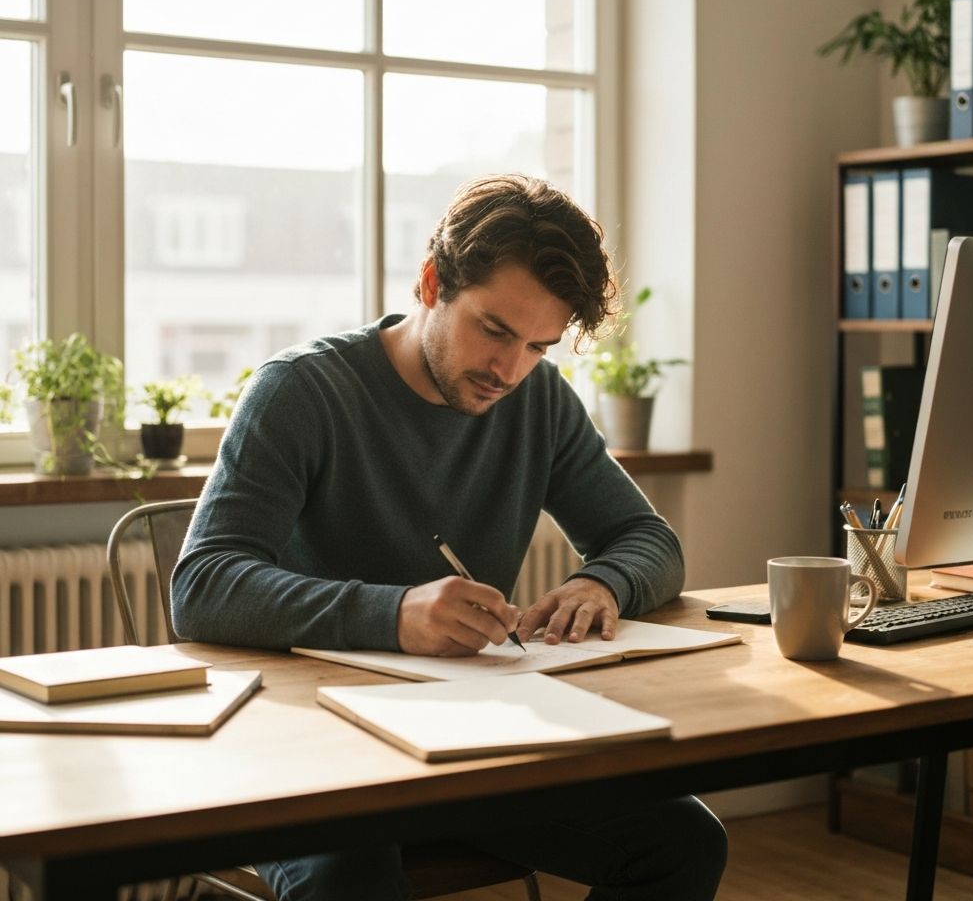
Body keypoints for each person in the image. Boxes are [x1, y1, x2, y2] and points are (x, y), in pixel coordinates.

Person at [171, 173, 727, 901]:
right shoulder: (302, 392)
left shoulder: (538, 401)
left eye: (538, 346)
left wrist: (602, 582)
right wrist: (393, 615)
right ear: (432, 282)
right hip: (310, 753)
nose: (509, 369)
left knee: (682, 843)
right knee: (352, 880)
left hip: (471, 748)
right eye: (494, 331)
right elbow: (202, 585)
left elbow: (647, 539)